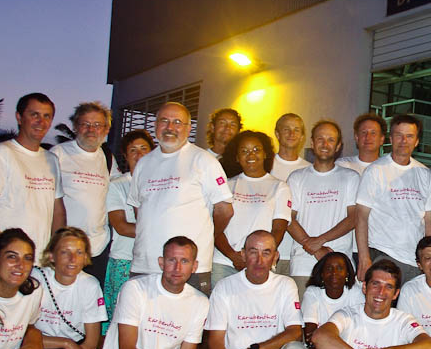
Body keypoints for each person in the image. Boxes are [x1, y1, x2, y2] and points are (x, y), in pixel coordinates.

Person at [128, 102, 233, 296]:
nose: (170, 127)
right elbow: (139, 210)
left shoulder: (203, 161)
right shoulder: (143, 163)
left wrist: (207, 235)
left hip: (188, 269)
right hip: (145, 264)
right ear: (155, 125)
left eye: (177, 122)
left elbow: (225, 210)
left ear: (188, 128)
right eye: (164, 121)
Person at [0, 92, 65, 256]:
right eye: (34, 114)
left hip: (36, 260)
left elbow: (57, 210)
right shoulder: (1, 153)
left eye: (47, 116)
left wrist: (55, 250)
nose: (41, 121)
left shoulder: (51, 160)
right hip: (2, 259)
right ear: (19, 117)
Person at [355, 114, 431, 284]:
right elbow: (361, 215)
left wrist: (430, 256)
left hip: (415, 260)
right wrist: (364, 258)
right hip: (383, 255)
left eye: (409, 136)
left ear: (416, 141)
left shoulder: (424, 174)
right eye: (399, 135)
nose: (403, 141)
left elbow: (429, 218)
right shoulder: (375, 171)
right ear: (391, 139)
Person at [287, 120, 360, 297]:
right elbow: (288, 218)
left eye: (330, 140)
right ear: (312, 143)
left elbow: (353, 218)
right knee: (303, 322)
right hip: (303, 264)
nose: (325, 144)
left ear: (338, 146)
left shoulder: (350, 177)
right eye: (320, 139)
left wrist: (321, 240)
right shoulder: (296, 177)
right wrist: (314, 247)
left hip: (339, 264)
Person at [212, 131, 291, 286]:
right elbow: (215, 227)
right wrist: (232, 255)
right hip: (224, 262)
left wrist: (256, 258)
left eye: (256, 149)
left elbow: (278, 230)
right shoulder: (227, 186)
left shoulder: (279, 187)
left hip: (259, 264)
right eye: (244, 151)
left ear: (265, 154)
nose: (251, 155)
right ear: (237, 157)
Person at [49, 101, 115, 279]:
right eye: (85, 124)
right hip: (65, 248)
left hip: (98, 248)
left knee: (90, 301)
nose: (91, 130)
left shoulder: (108, 158)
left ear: (106, 129)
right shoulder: (58, 154)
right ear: (75, 127)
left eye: (97, 125)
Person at [103, 130, 154, 333]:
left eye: (144, 149)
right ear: (125, 155)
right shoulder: (117, 186)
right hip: (124, 260)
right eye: (133, 150)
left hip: (152, 261)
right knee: (118, 319)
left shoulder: (160, 185)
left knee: (145, 321)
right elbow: (121, 227)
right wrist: (158, 231)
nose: (139, 154)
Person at [271, 113, 311, 275]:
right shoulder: (264, 165)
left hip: (298, 253)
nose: (291, 134)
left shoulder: (309, 169)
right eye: (286, 129)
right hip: (269, 251)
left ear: (302, 136)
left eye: (296, 130)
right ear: (277, 133)